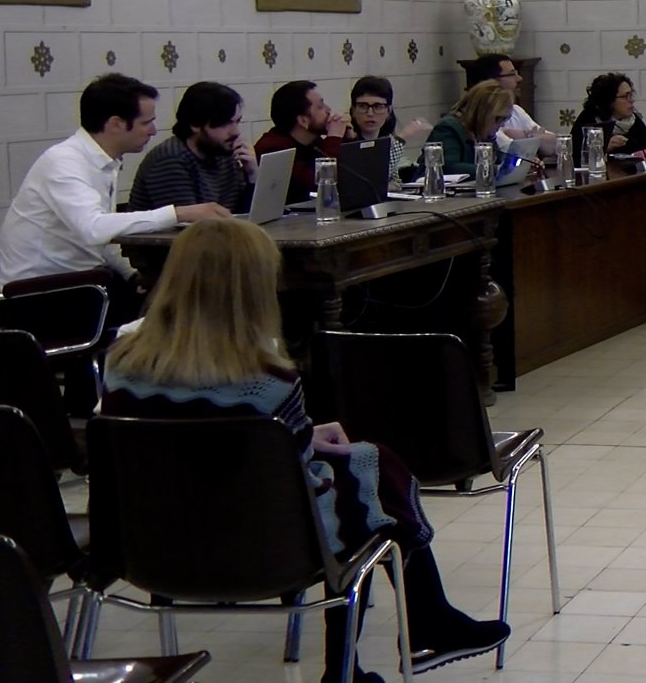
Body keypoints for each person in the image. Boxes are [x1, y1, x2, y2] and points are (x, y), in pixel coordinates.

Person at [100, 219, 510, 682]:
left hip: (151, 549)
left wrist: (295, 436)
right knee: (364, 484)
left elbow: (191, 446)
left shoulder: (118, 367)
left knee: (363, 469)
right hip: (262, 551)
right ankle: (364, 657)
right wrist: (323, 447)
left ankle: (417, 628)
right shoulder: (267, 382)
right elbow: (293, 484)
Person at [0, 73, 230, 299]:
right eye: (146, 123)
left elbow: (103, 238)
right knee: (175, 308)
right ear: (116, 124)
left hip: (83, 283)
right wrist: (179, 213)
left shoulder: (103, 161)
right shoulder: (64, 162)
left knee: (168, 298)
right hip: (37, 295)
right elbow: (94, 228)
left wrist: (132, 276)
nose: (153, 131)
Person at [129, 81, 257, 213]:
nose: (235, 132)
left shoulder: (223, 151)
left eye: (237, 121)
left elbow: (249, 216)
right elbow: (191, 223)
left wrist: (252, 175)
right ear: (195, 125)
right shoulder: (170, 159)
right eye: (224, 124)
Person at [254, 80, 350, 204]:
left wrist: (348, 138)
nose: (328, 110)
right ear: (303, 120)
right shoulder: (273, 148)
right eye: (320, 107)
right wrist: (334, 138)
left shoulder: (313, 142)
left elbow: (349, 176)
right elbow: (319, 185)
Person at [466, 55, 558, 159]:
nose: (519, 78)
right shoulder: (485, 117)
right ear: (491, 82)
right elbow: (514, 152)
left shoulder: (516, 110)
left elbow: (556, 145)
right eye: (512, 74)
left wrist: (526, 136)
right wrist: (535, 142)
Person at [345, 76, 432, 184]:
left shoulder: (387, 139)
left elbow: (393, 180)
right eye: (363, 106)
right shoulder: (346, 140)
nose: (370, 113)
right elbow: (374, 177)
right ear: (353, 110)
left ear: (388, 111)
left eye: (378, 106)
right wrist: (401, 138)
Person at [424, 83, 512, 180]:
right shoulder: (448, 128)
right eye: (498, 118)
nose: (502, 124)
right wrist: (496, 170)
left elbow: (499, 160)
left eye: (505, 119)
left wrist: (513, 166)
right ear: (482, 113)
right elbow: (448, 167)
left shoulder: (482, 132)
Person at [570, 72, 646, 168]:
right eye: (625, 97)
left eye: (631, 95)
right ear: (609, 100)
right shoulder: (589, 118)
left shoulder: (631, 119)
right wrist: (603, 148)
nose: (631, 100)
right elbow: (575, 158)